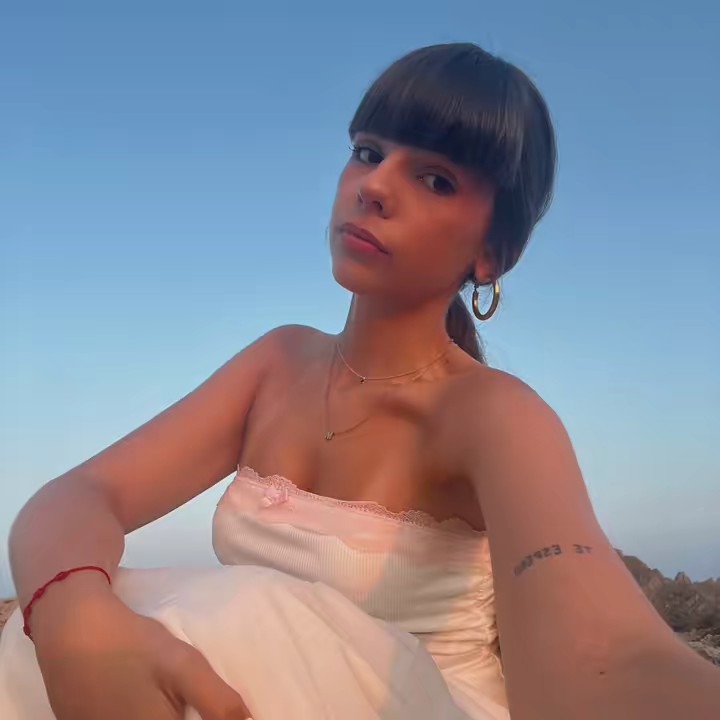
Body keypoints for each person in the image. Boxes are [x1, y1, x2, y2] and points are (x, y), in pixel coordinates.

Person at [1, 42, 719, 720]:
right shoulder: (278, 363)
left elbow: (602, 651)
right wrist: (74, 619)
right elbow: (80, 495)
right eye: (369, 153)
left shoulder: (492, 414)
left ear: (492, 254)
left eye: (435, 179)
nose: (374, 186)